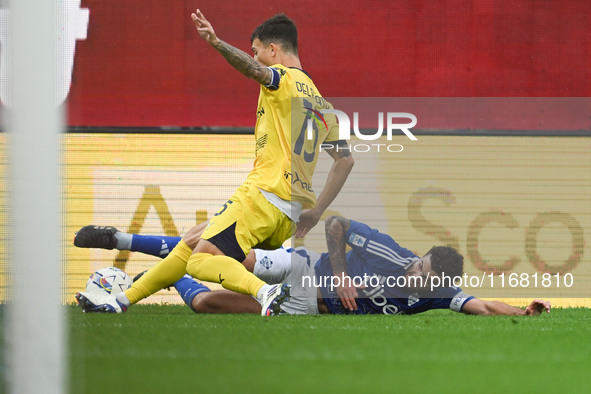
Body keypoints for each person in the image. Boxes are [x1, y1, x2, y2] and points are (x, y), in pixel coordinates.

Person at [75, 10, 354, 316]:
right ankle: (120, 301)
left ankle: (265, 291)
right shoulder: (323, 106)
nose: (256, 58)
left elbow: (255, 71)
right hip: (290, 214)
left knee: (198, 261)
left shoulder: (285, 79)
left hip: (263, 195)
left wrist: (217, 43)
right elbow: (345, 161)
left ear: (273, 50)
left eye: (257, 51)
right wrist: (315, 212)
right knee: (192, 242)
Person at [74, 218, 551, 316]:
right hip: (302, 271)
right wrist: (340, 272)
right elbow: (338, 224)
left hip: (306, 309)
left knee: (204, 304)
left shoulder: (436, 295)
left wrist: (525, 313)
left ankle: (170, 274)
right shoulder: (391, 253)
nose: (414, 274)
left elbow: (485, 304)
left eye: (424, 275)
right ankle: (120, 239)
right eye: (419, 264)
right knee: (222, 253)